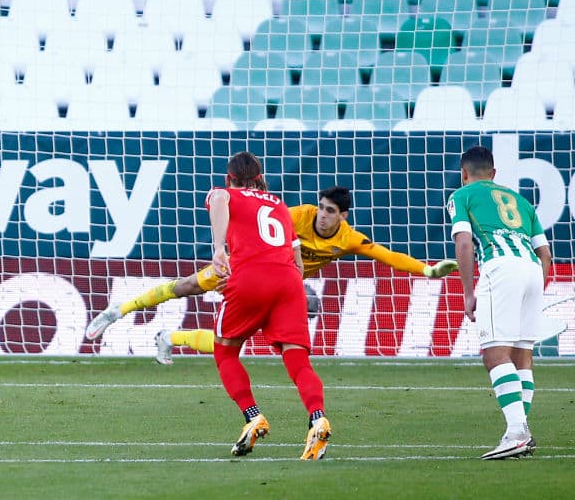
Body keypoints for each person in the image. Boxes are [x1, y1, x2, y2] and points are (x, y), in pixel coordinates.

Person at [85, 186, 458, 364]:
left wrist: (427, 269)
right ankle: (120, 310)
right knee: (185, 287)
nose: (322, 215)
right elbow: (256, 224)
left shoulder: (348, 239)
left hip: (276, 286)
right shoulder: (297, 214)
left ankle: (168, 336)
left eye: (330, 212)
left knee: (235, 342)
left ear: (342, 216)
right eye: (322, 208)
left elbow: (386, 255)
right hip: (246, 269)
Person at [207, 151, 330, 460]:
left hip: (250, 277)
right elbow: (299, 264)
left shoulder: (225, 193)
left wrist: (220, 249)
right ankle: (317, 418)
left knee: (225, 351)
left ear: (229, 178)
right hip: (289, 282)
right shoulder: (279, 205)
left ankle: (253, 416)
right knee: (298, 360)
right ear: (260, 177)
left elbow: (220, 199)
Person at [448, 145, 551, 460]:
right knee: (522, 354)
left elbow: (464, 243)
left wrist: (468, 292)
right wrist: (534, 290)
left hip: (499, 267)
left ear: (464, 174)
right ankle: (518, 430)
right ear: (494, 174)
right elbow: (545, 254)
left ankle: (518, 432)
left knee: (495, 354)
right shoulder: (521, 201)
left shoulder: (461, 196)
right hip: (533, 270)